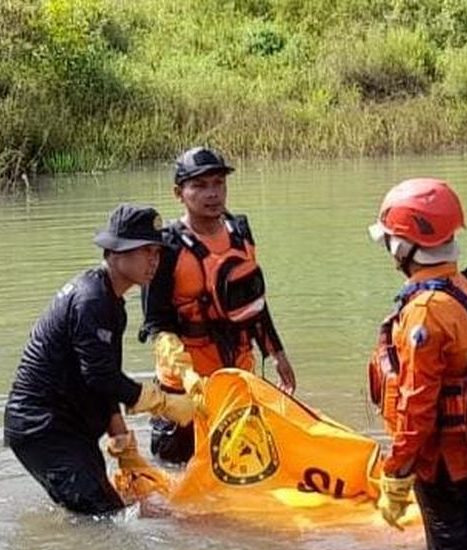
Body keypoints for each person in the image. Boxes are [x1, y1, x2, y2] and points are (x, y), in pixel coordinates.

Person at [366, 178, 467, 550]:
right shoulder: (465, 288)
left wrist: (397, 473)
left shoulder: (426, 310)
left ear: (402, 247)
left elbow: (416, 405)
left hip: (444, 466)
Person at [3, 204, 201, 515]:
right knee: (104, 517)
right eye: (145, 251)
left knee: (112, 507)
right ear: (115, 251)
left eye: (157, 252)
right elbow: (100, 376)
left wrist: (122, 443)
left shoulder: (111, 302)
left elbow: (103, 381)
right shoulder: (91, 300)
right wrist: (161, 402)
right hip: (43, 428)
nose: (154, 260)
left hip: (68, 427)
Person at [139, 146, 295, 463]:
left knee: (244, 464)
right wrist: (186, 376)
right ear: (178, 193)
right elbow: (156, 324)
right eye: (199, 185)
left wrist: (277, 353)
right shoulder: (166, 247)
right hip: (184, 386)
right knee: (177, 471)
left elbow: (254, 303)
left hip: (237, 375)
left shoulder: (241, 232)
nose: (212, 193)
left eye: (219, 183)